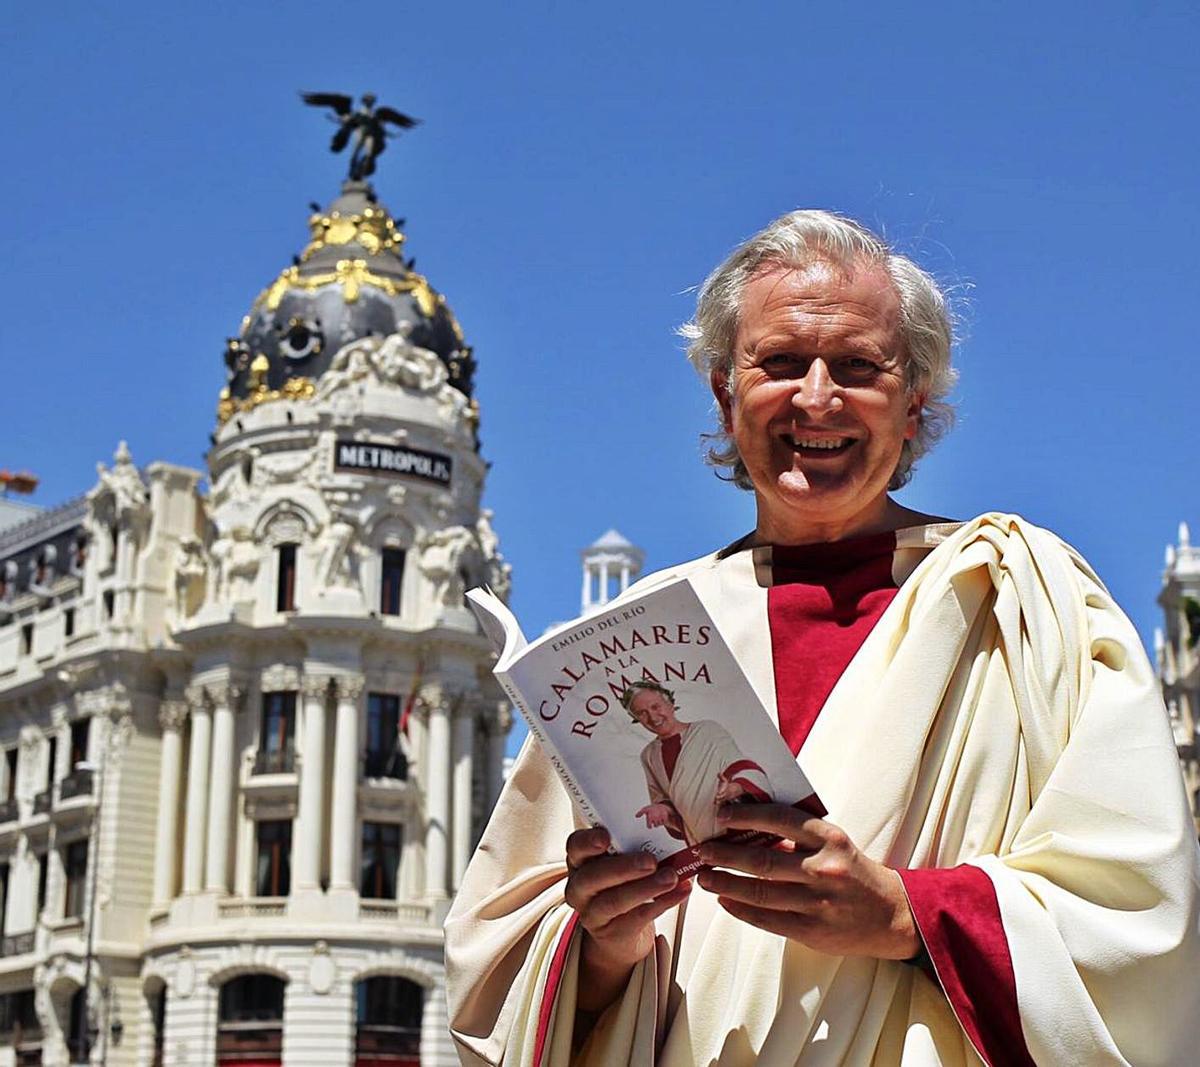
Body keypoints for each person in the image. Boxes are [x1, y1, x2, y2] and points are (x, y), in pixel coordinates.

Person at [445, 210, 1200, 1066]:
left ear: (914, 403)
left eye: (856, 366)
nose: (816, 397)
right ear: (727, 398)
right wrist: (606, 948)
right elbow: (497, 971)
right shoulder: (626, 642)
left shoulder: (1026, 598)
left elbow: (1143, 921)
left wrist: (903, 914)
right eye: (778, 363)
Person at [625, 680, 773, 846]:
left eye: (655, 707)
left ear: (670, 704)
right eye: (642, 713)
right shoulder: (648, 755)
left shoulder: (708, 730)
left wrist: (735, 788)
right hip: (701, 838)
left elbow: (740, 766)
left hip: (737, 824)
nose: (652, 717)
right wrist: (662, 809)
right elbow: (663, 797)